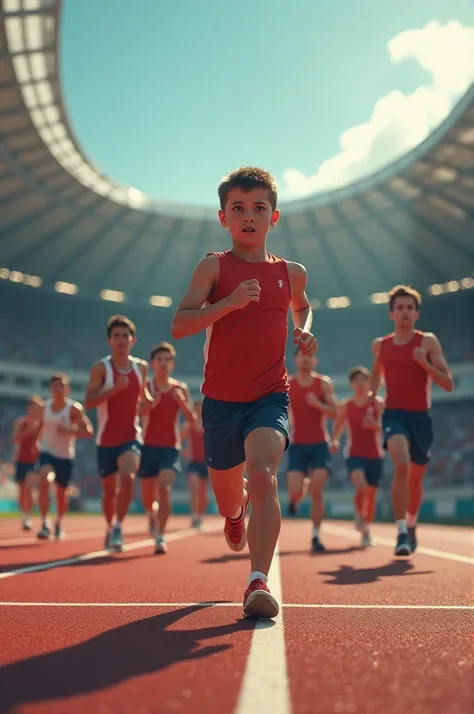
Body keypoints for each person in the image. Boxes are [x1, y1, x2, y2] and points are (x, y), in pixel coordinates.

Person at [171, 166, 317, 619]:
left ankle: (258, 580)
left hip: (270, 395)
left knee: (263, 473)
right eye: (239, 208)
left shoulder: (291, 273)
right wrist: (228, 303)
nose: (248, 216)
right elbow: (180, 325)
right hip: (219, 401)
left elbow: (304, 307)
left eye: (258, 208)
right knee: (230, 498)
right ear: (223, 217)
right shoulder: (213, 266)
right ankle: (234, 517)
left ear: (274, 218)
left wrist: (304, 330)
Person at [369, 285, 454, 555]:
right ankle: (401, 533)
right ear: (391, 314)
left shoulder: (426, 342)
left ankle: (412, 522)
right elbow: (375, 374)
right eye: (400, 308)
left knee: (415, 481)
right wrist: (373, 397)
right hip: (394, 414)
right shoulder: (380, 345)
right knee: (401, 462)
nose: (405, 312)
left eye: (409, 308)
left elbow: (448, 383)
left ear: (417, 314)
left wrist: (425, 364)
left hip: (420, 418)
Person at [85, 315, 152, 552]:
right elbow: (89, 402)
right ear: (109, 341)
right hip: (106, 439)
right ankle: (109, 524)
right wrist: (114, 389)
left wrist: (151, 403)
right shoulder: (101, 368)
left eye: (125, 336)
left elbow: (143, 398)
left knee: (128, 477)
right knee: (108, 492)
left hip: (131, 435)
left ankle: (118, 527)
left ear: (132, 340)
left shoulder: (141, 367)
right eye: (116, 336)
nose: (121, 340)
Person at [139, 342, 195, 554]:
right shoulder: (146, 387)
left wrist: (181, 403)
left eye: (167, 360)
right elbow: (135, 414)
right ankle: (152, 515)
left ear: (172, 364)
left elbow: (192, 419)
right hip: (146, 447)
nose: (163, 363)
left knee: (164, 487)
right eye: (159, 359)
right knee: (147, 498)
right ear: (153, 364)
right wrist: (148, 405)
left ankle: (160, 536)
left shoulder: (179, 388)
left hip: (170, 448)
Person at [287, 349, 337, 553]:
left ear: (315, 360)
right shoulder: (288, 384)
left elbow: (335, 412)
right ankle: (295, 498)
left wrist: (318, 404)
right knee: (296, 491)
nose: (306, 359)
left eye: (310, 356)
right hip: (298, 445)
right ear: (295, 359)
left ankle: (316, 535)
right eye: (302, 356)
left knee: (317, 491)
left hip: (319, 444)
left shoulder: (323, 383)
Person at [330, 366, 384, 547]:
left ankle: (366, 527)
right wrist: (334, 441)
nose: (360, 384)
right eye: (356, 380)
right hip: (354, 453)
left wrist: (375, 425)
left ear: (369, 382)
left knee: (372, 494)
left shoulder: (378, 403)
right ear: (352, 384)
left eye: (364, 379)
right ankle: (359, 515)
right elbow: (339, 425)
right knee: (360, 485)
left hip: (375, 454)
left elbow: (387, 427)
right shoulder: (346, 405)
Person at [37, 373, 93, 540]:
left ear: (67, 389)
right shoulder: (44, 408)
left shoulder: (73, 409)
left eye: (62, 386)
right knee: (45, 479)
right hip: (46, 452)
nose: (59, 389)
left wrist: (70, 431)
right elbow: (39, 427)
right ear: (51, 389)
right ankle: (45, 522)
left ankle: (59, 521)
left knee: (61, 495)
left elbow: (88, 431)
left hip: (65, 456)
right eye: (55, 386)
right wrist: (36, 442)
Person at [10, 395, 43, 531]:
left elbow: (44, 441)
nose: (34, 410)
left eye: (37, 407)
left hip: (34, 460)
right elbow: (15, 439)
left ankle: (28, 516)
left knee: (29, 488)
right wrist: (27, 432)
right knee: (22, 491)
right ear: (28, 408)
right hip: (21, 459)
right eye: (32, 407)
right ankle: (25, 515)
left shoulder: (42, 423)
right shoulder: (20, 422)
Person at [181, 399, 208, 529]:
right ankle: (194, 515)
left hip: (207, 462)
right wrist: (185, 452)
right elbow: (178, 441)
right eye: (197, 407)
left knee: (203, 493)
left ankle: (200, 515)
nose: (198, 410)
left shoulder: (209, 425)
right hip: (193, 462)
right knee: (194, 487)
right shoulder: (188, 425)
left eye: (201, 408)